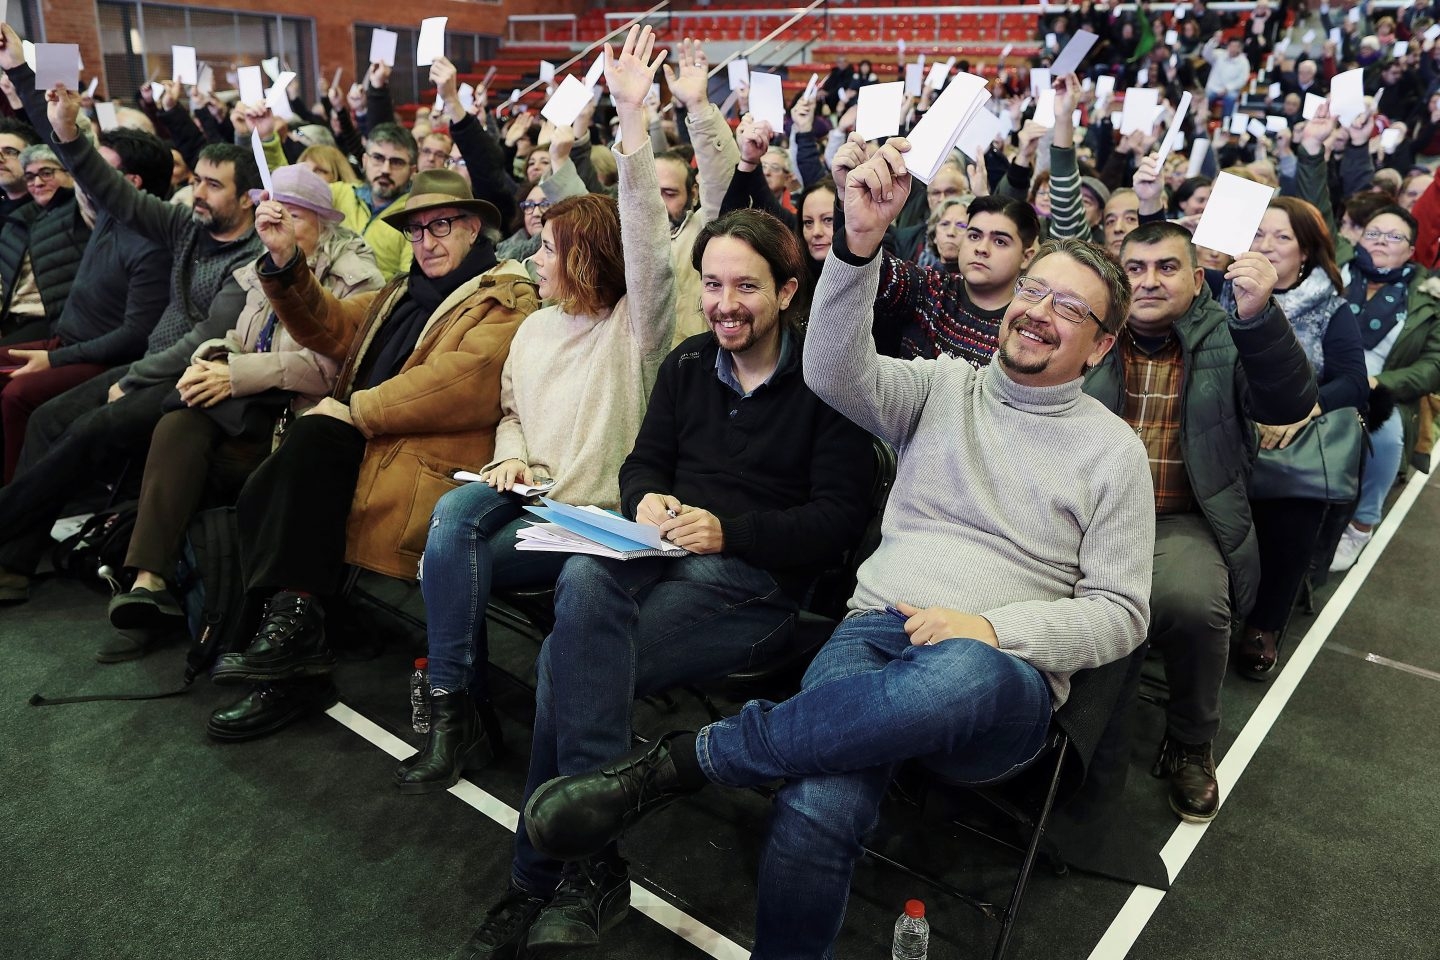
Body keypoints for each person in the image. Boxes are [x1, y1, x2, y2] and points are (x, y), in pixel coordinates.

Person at [511, 139, 1155, 960]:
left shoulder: (1112, 453)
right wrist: (858, 244)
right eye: (1035, 290)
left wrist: (996, 631)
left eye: (1071, 308)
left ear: (1100, 346)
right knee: (816, 806)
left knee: (962, 667)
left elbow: (1122, 611)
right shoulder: (942, 385)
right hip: (873, 629)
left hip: (998, 678)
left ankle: (690, 761)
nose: (1038, 311)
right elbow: (834, 369)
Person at [448, 37, 876, 960]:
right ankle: (586, 869)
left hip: (758, 593)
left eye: (745, 288)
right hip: (661, 556)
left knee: (571, 662)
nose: (723, 304)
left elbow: (841, 523)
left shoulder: (829, 388)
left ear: (789, 292)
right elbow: (645, 465)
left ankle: (549, 876)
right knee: (584, 594)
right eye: (712, 285)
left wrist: (729, 528)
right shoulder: (687, 364)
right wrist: (646, 506)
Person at [398, 28, 677, 792]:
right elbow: (514, 412)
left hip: (594, 525)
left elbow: (648, 244)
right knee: (453, 525)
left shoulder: (635, 328)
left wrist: (630, 125)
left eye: (548, 250)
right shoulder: (533, 328)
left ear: (585, 256)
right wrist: (510, 455)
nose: (533, 260)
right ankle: (457, 710)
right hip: (532, 505)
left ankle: (462, 717)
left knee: (449, 561)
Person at [203, 167, 538, 742]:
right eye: (415, 230)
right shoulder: (403, 291)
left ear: (476, 228)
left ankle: (285, 652)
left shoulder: (505, 298)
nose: (426, 242)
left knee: (296, 460)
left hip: (422, 466)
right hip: (369, 448)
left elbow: (459, 384)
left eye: (441, 226)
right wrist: (285, 264)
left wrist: (353, 409)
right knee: (274, 480)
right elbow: (334, 330)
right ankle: (292, 638)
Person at [101, 164, 384, 656]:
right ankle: (149, 583)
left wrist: (235, 374)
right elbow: (240, 334)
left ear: (323, 223)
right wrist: (210, 359)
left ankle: (224, 607)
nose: (279, 222)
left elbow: (331, 370)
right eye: (274, 212)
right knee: (180, 420)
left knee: (187, 451)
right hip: (249, 410)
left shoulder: (355, 277)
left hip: (301, 423)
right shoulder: (265, 262)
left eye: (293, 214)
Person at [0, 75, 261, 606]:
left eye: (214, 185)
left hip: (186, 380)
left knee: (88, 429)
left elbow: (205, 336)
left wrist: (136, 378)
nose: (198, 192)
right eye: (199, 180)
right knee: (49, 417)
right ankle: (13, 565)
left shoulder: (252, 259)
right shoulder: (189, 226)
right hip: (147, 367)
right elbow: (111, 190)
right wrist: (67, 133)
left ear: (250, 199)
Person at [1091, 221, 1316, 822]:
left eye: (1167, 267)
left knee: (1195, 605)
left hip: (1181, 519)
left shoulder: (1230, 333)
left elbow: (1289, 405)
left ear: (1198, 279)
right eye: (1135, 268)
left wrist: (1261, 315)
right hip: (1082, 521)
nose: (1148, 280)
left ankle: (1192, 740)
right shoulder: (1091, 334)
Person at [1236, 197, 1367, 678]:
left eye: (1282, 237)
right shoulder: (1220, 288)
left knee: (1294, 504)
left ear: (1306, 253)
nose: (1266, 246)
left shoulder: (1329, 308)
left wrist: (1303, 409)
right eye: (1257, 235)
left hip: (1287, 440)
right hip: (1225, 426)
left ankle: (1264, 624)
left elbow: (1354, 380)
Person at [0, 125, 173, 483]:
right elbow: (66, 154)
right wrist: (54, 113)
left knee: (18, 395)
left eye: (101, 170)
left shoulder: (152, 243)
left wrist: (54, 359)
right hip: (65, 343)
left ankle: (13, 503)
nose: (86, 177)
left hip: (100, 358)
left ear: (133, 183)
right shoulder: (106, 213)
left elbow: (135, 336)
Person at [1329, 205, 1440, 570]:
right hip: (1319, 363)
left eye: (1395, 237)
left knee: (1387, 438)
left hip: (1379, 381)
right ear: (1359, 237)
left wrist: (1382, 382)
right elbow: (1316, 209)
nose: (1381, 241)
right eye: (1374, 232)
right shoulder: (1338, 263)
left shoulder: (1427, 295)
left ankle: (1362, 524)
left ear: (1411, 250)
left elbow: (1434, 365)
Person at [0, 143, 84, 343]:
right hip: (11, 320)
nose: (37, 183)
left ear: (71, 173)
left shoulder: (84, 211)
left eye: (46, 173)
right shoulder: (16, 221)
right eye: (29, 177)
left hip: (53, 322)